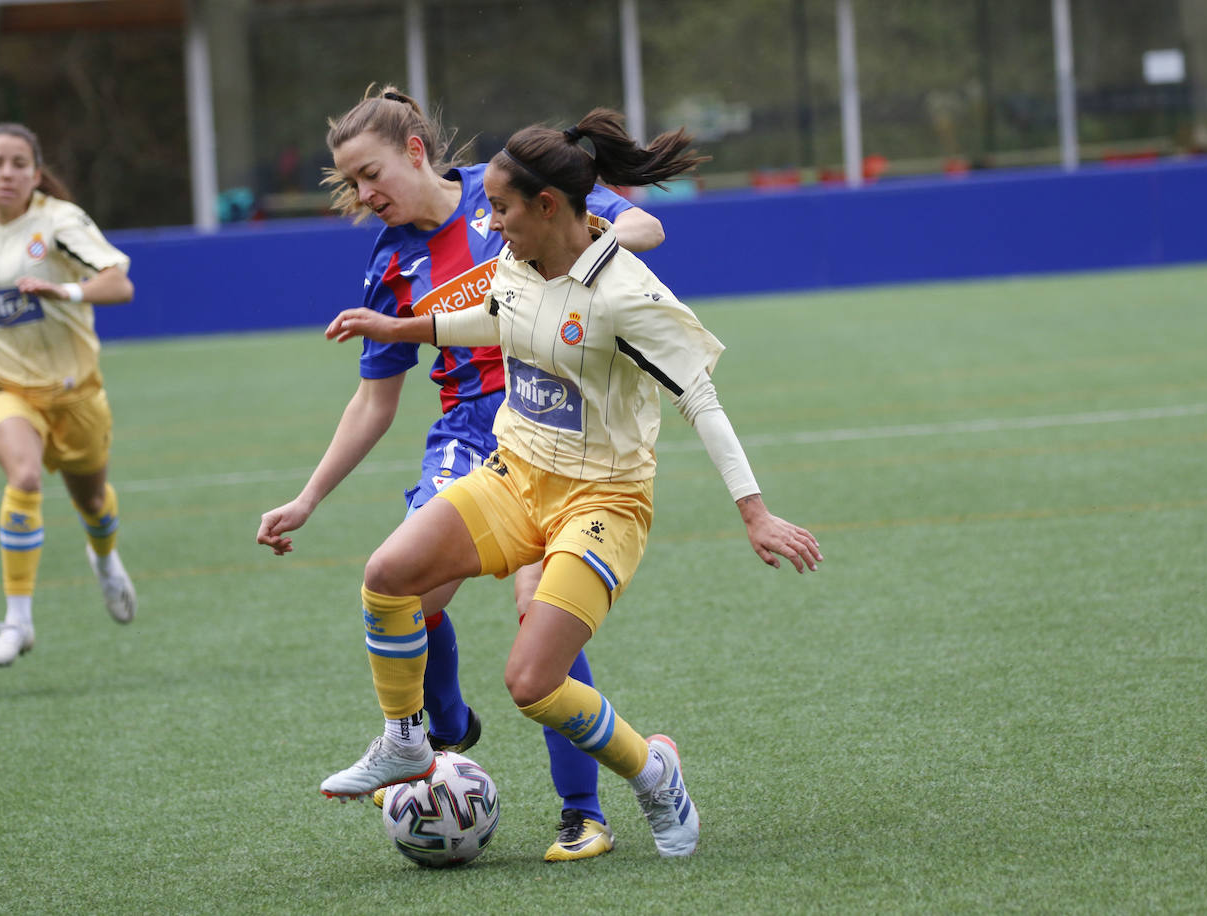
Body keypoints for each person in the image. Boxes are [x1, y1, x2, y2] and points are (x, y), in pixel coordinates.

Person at [318, 108, 823, 858]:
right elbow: (490, 314)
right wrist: (397, 330)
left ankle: (652, 771)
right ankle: (406, 741)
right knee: (387, 577)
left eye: (500, 208)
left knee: (532, 681)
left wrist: (755, 512)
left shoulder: (626, 293)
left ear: (548, 206)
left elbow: (702, 401)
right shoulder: (518, 263)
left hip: (602, 502)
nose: (488, 221)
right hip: (514, 477)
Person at [256, 86, 666, 862]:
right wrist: (307, 498)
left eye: (371, 174)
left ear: (416, 151)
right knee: (409, 584)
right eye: (351, 184)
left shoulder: (505, 190)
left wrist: (603, 241)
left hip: (559, 429)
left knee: (535, 612)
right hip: (468, 437)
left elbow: (641, 221)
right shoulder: (390, 261)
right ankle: (441, 727)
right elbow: (375, 402)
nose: (364, 195)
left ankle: (583, 812)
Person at [0, 122, 138, 667]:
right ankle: (18, 621)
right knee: (22, 477)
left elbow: (120, 283)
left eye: (19, 163)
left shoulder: (59, 223)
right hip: (4, 383)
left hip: (74, 390)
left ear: (35, 173)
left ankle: (105, 559)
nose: (6, 173)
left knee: (92, 500)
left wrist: (63, 289)